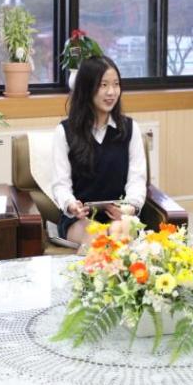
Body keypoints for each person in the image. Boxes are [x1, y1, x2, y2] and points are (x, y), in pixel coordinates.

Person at [51, 56, 147, 245]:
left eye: (116, 84)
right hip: (79, 219)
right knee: (97, 236)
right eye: (103, 85)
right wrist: (71, 205)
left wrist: (130, 208)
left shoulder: (130, 128)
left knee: (120, 230)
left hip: (121, 214)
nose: (111, 92)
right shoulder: (65, 131)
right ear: (87, 88)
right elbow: (60, 184)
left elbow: (137, 180)